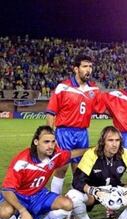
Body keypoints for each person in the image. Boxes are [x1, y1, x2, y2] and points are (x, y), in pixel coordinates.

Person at [0, 126, 86, 219]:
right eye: (46, 142)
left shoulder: (55, 154)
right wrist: (22, 210)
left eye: (53, 141)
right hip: (18, 195)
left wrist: (94, 149)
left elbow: (71, 154)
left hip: (38, 194)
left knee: (67, 205)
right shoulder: (22, 161)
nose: (50, 145)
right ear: (36, 142)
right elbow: (6, 190)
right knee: (4, 212)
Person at [46, 54, 102, 195]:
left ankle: (75, 206)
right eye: (84, 66)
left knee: (79, 170)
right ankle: (55, 201)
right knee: (61, 168)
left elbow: (102, 108)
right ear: (76, 69)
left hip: (82, 133)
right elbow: (51, 112)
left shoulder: (94, 90)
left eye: (90, 66)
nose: (88, 70)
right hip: (64, 132)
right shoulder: (63, 87)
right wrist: (49, 135)